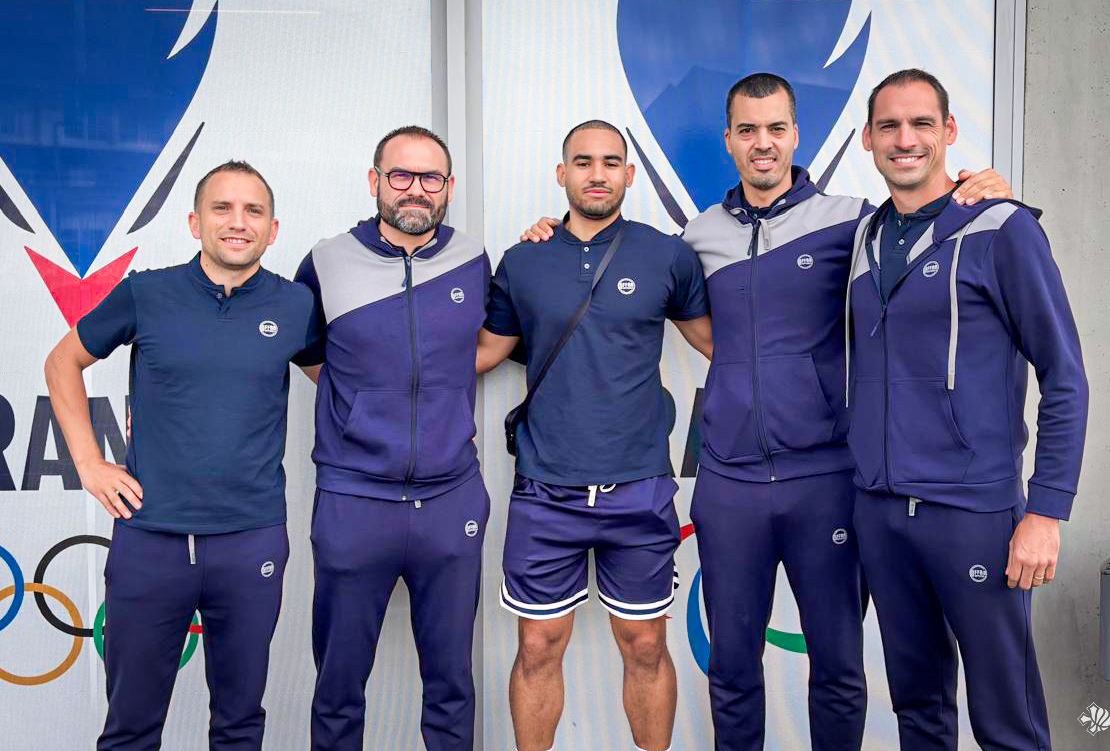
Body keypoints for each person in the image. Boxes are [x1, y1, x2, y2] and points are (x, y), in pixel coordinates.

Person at [519, 73, 1011, 751]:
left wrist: (976, 190)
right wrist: (552, 235)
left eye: (776, 128)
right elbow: (619, 266)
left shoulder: (854, 220)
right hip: (730, 481)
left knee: (838, 666)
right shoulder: (697, 237)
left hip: (826, 477)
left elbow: (923, 219)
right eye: (748, 130)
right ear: (729, 140)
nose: (763, 143)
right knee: (730, 667)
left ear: (795, 135)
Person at [846, 68, 1088, 750]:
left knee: (1007, 721)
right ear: (867, 139)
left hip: (975, 514)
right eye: (889, 126)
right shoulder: (864, 236)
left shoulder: (1003, 229)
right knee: (919, 708)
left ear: (949, 131)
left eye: (921, 123)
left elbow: (1065, 375)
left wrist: (1046, 511)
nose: (905, 139)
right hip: (883, 514)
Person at [44, 161, 320, 751]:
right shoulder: (146, 293)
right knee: (131, 728)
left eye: (253, 211)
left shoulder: (297, 306)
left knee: (240, 725)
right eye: (222, 208)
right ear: (195, 222)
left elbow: (349, 386)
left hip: (250, 540)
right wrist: (89, 463)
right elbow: (62, 362)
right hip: (151, 540)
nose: (238, 222)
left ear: (273, 229)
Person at [476, 120, 712, 751]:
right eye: (583, 162)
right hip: (545, 488)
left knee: (645, 643)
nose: (597, 174)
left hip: (638, 487)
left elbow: (720, 346)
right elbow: (484, 353)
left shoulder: (666, 255)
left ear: (629, 174)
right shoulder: (525, 259)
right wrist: (380, 363)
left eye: (611, 162)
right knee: (537, 646)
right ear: (563, 174)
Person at [293, 126, 491, 751]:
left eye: (430, 178)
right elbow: (312, 355)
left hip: (450, 498)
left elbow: (491, 342)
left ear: (448, 187)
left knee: (452, 684)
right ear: (375, 180)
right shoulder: (326, 260)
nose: (415, 189)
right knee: (339, 686)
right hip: (355, 499)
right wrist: (368, 400)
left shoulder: (474, 259)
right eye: (400, 175)